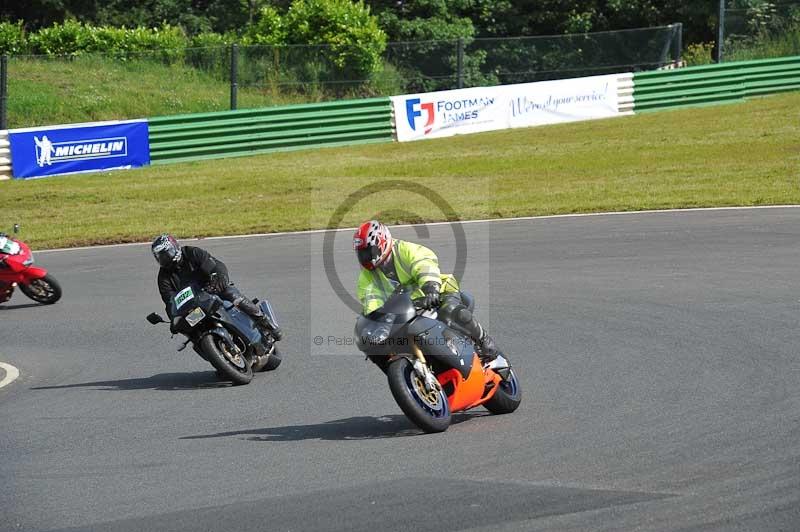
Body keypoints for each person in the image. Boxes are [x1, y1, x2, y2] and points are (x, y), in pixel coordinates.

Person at [353, 220, 499, 361]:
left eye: (369, 252)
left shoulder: (405, 250)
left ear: (382, 242)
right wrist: (375, 324)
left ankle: (484, 340)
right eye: (362, 254)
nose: (366, 258)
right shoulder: (366, 278)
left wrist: (431, 288)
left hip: (438, 291)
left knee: (451, 311)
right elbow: (372, 301)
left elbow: (423, 264)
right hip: (407, 309)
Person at [151, 234, 281, 339]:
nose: (165, 259)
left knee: (230, 293)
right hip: (194, 306)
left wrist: (219, 278)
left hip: (213, 289)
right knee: (190, 330)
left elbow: (215, 265)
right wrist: (174, 319)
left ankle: (265, 321)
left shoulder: (192, 253)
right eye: (160, 257)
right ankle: (219, 358)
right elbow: (169, 302)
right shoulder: (163, 278)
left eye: (167, 253)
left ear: (175, 247)